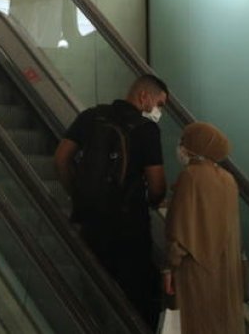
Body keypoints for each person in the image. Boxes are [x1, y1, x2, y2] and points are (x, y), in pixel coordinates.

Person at [54, 75, 168, 331]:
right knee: (140, 297)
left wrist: (77, 193)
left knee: (94, 292)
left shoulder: (91, 117)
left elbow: (61, 158)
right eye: (160, 104)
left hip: (91, 223)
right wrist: (155, 200)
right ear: (143, 97)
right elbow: (157, 184)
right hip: (130, 229)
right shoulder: (146, 129)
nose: (159, 111)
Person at [164, 122, 243, 334]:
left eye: (184, 141)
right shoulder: (228, 180)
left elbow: (180, 232)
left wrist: (169, 267)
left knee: (196, 324)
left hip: (196, 270)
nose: (180, 146)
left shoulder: (190, 176)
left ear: (195, 145)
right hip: (225, 270)